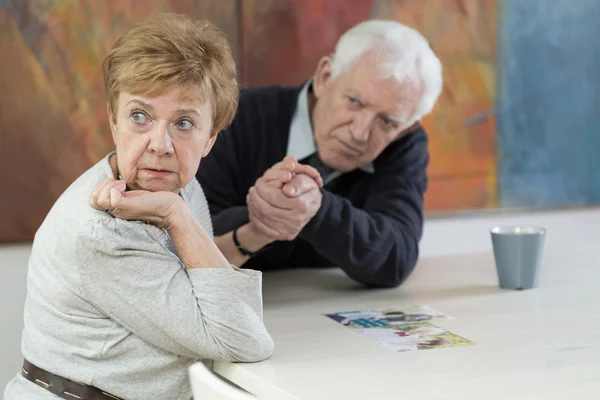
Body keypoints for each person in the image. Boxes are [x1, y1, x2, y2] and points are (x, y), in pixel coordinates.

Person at [4, 13, 273, 400]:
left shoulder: (180, 187)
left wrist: (245, 229)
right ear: (114, 123)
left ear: (210, 139)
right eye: (140, 117)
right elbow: (243, 340)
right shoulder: (102, 231)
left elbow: (198, 279)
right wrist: (175, 216)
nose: (160, 145)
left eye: (183, 123)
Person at [200, 20, 443, 288]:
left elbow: (396, 258)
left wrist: (317, 208)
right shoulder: (234, 117)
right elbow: (193, 236)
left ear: (405, 126)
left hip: (327, 314)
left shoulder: (403, 143)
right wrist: (276, 207)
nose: (360, 133)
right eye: (354, 102)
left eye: (387, 121)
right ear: (325, 77)